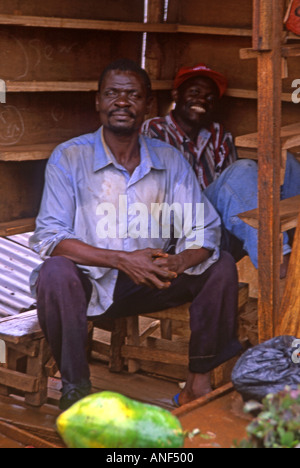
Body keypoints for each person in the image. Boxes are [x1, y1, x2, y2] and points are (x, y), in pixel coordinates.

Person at [29, 59, 242, 410]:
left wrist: (178, 261)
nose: (122, 102)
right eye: (112, 93)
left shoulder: (169, 159)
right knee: (54, 273)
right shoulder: (69, 157)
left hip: (152, 279)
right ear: (98, 101)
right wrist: (121, 260)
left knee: (221, 266)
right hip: (91, 281)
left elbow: (203, 228)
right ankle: (76, 390)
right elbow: (51, 236)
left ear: (148, 106)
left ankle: (198, 383)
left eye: (132, 95)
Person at [142, 63, 300, 275]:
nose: (201, 100)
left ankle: (294, 250)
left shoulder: (219, 135)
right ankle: (277, 259)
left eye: (210, 97)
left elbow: (231, 192)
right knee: (243, 168)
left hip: (217, 217)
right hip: (180, 221)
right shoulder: (155, 129)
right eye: (195, 92)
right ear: (176, 94)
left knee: (285, 161)